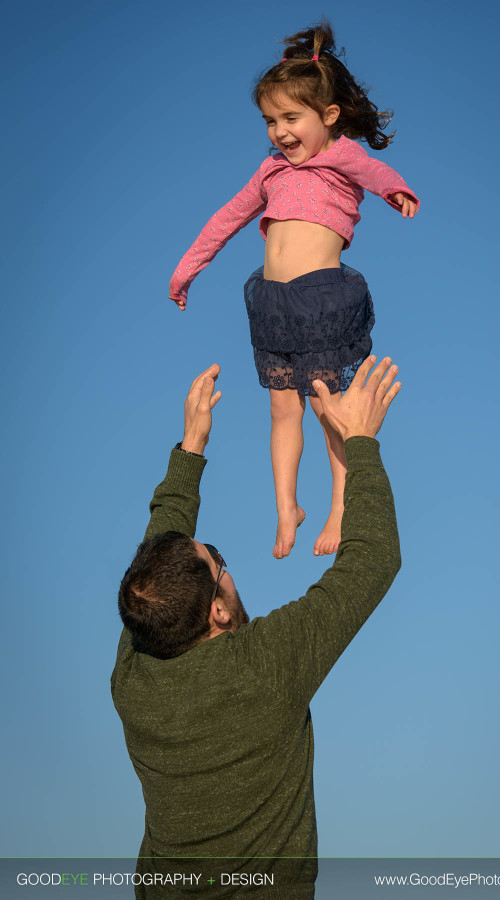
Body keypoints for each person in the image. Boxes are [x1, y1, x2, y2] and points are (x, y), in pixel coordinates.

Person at [112, 357, 402, 898]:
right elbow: (373, 559)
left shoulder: (135, 672)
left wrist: (191, 449)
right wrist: (360, 439)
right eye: (218, 562)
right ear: (217, 612)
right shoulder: (265, 668)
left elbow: (158, 576)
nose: (227, 568)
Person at [168, 21, 419, 560]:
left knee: (328, 407)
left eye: (290, 118)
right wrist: (188, 268)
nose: (280, 131)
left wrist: (396, 189)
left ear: (327, 117)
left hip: (323, 298)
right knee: (284, 411)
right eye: (270, 120)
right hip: (273, 307)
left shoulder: (340, 154)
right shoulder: (270, 171)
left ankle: (340, 503)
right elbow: (227, 219)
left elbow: (374, 172)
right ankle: (287, 506)